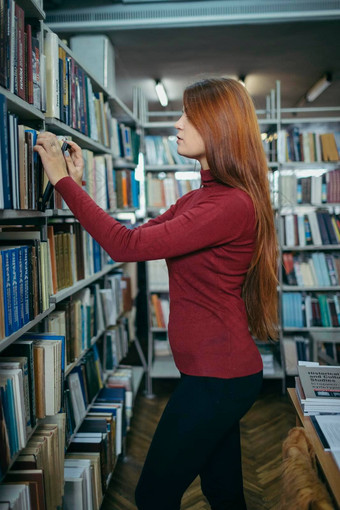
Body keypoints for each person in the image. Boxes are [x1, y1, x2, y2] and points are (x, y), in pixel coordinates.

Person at [34, 77, 278, 510]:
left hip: (217, 379)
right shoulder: (202, 199)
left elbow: (125, 247)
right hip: (215, 375)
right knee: (223, 492)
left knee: (153, 495)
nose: (178, 123)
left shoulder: (228, 205)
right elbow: (131, 235)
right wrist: (78, 186)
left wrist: (62, 184)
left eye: (190, 115)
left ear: (219, 126)